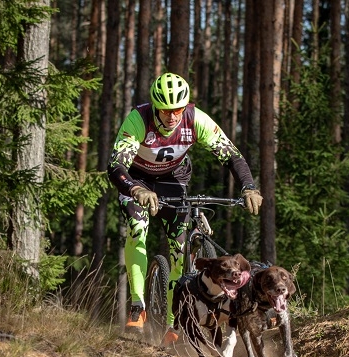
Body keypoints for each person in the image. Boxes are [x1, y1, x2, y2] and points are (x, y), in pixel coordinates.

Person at [108, 72, 262, 342]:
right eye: (166, 110)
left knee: (181, 247)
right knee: (137, 228)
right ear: (155, 107)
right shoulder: (138, 119)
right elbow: (116, 165)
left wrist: (248, 186)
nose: (172, 116)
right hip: (138, 179)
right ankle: (137, 306)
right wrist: (135, 188)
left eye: (178, 109)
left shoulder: (195, 118)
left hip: (173, 179)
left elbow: (230, 154)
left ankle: (173, 322)